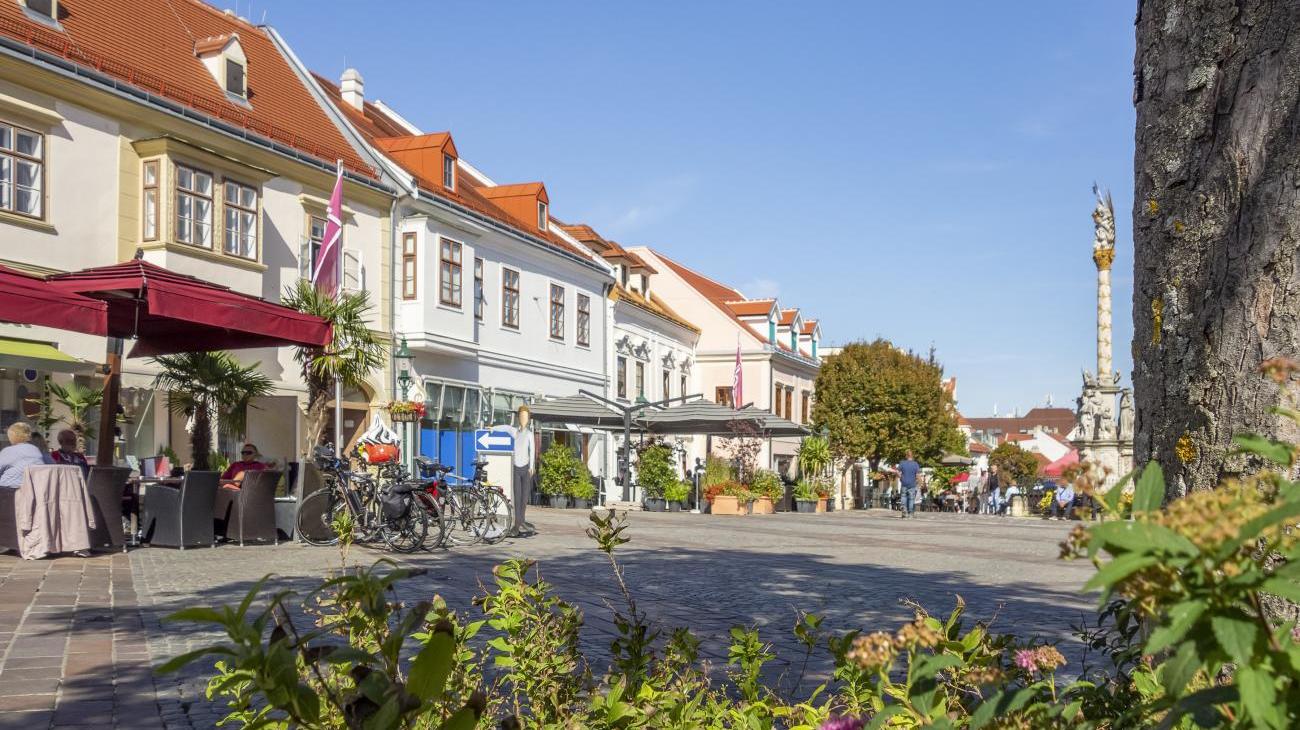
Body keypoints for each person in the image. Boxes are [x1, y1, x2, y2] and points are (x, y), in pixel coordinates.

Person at [0, 422, 48, 488]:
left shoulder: (8, 451)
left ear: (12, 436)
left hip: (10, 490)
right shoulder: (35, 449)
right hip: (33, 490)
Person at [897, 450, 921, 519]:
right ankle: (910, 513)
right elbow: (917, 475)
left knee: (903, 496)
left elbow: (897, 472)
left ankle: (904, 509)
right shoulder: (915, 464)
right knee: (911, 498)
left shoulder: (902, 463)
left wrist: (901, 478)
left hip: (904, 483)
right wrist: (919, 482)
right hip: (912, 484)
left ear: (906, 456)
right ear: (912, 456)